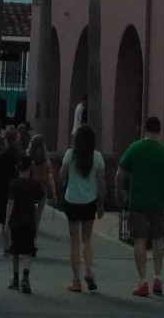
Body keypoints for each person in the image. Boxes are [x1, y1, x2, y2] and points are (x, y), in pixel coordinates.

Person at [116, 115, 164, 297]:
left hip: (137, 201)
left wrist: (119, 192)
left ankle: (143, 281)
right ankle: (157, 277)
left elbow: (120, 174)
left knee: (140, 240)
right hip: (158, 202)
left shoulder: (134, 148)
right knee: (159, 238)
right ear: (159, 130)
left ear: (145, 129)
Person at [58, 121, 106, 293]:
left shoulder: (70, 155)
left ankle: (76, 280)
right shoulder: (97, 157)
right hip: (89, 201)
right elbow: (101, 183)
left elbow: (62, 176)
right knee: (87, 239)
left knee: (74, 241)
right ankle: (90, 271)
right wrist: (100, 204)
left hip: (72, 200)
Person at [5, 152, 45, 293]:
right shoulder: (36, 184)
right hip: (30, 220)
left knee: (15, 250)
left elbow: (10, 203)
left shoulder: (14, 184)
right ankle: (25, 277)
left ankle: (15, 278)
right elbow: (42, 201)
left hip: (16, 221)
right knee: (28, 250)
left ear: (18, 167)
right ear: (30, 168)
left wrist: (6, 222)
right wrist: (38, 214)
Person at [0, 126, 19, 244]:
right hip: (19, 191)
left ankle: (7, 245)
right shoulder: (20, 157)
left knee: (5, 220)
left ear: (6, 140)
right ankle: (14, 243)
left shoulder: (1, 157)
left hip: (3, 191)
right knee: (15, 219)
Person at [27, 134, 56, 249]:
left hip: (29, 190)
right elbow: (50, 178)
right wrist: (54, 194)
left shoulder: (28, 159)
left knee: (28, 216)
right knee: (37, 219)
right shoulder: (46, 161)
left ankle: (28, 239)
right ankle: (34, 241)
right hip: (41, 191)